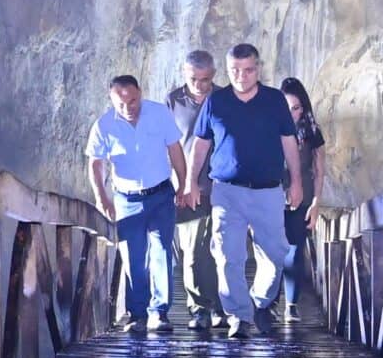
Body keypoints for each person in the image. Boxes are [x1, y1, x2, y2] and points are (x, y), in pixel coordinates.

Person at [178, 43, 303, 336]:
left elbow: (289, 141)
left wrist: (296, 181)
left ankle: (258, 301)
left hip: (268, 191)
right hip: (227, 191)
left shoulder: (274, 100)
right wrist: (190, 181)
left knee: (275, 253)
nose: (241, 77)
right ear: (228, 69)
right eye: (235, 70)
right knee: (227, 255)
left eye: (248, 70)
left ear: (257, 69)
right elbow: (201, 143)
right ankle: (238, 316)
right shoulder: (216, 101)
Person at [86, 73, 188, 331]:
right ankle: (137, 313)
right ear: (111, 100)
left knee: (162, 252)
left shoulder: (159, 114)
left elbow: (174, 149)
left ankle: (159, 311)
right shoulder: (104, 125)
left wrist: (183, 184)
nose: (127, 108)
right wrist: (101, 197)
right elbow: (96, 163)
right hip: (127, 199)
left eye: (132, 101)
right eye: (120, 103)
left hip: (161, 194)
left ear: (139, 93)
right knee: (132, 256)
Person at [164, 50, 221, 327]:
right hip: (187, 187)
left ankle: (221, 306)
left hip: (222, 185)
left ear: (214, 75)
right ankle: (199, 307)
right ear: (184, 74)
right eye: (193, 79)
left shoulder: (224, 98)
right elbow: (168, 145)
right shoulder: (173, 101)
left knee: (220, 249)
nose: (199, 85)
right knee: (193, 250)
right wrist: (181, 184)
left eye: (205, 79)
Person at [278, 76, 327, 323]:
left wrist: (317, 202)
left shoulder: (312, 131)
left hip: (303, 197)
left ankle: (291, 305)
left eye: (296, 108)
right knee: (273, 248)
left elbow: (319, 169)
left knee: (295, 250)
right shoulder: (270, 127)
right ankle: (268, 300)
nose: (292, 114)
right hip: (274, 195)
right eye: (287, 108)